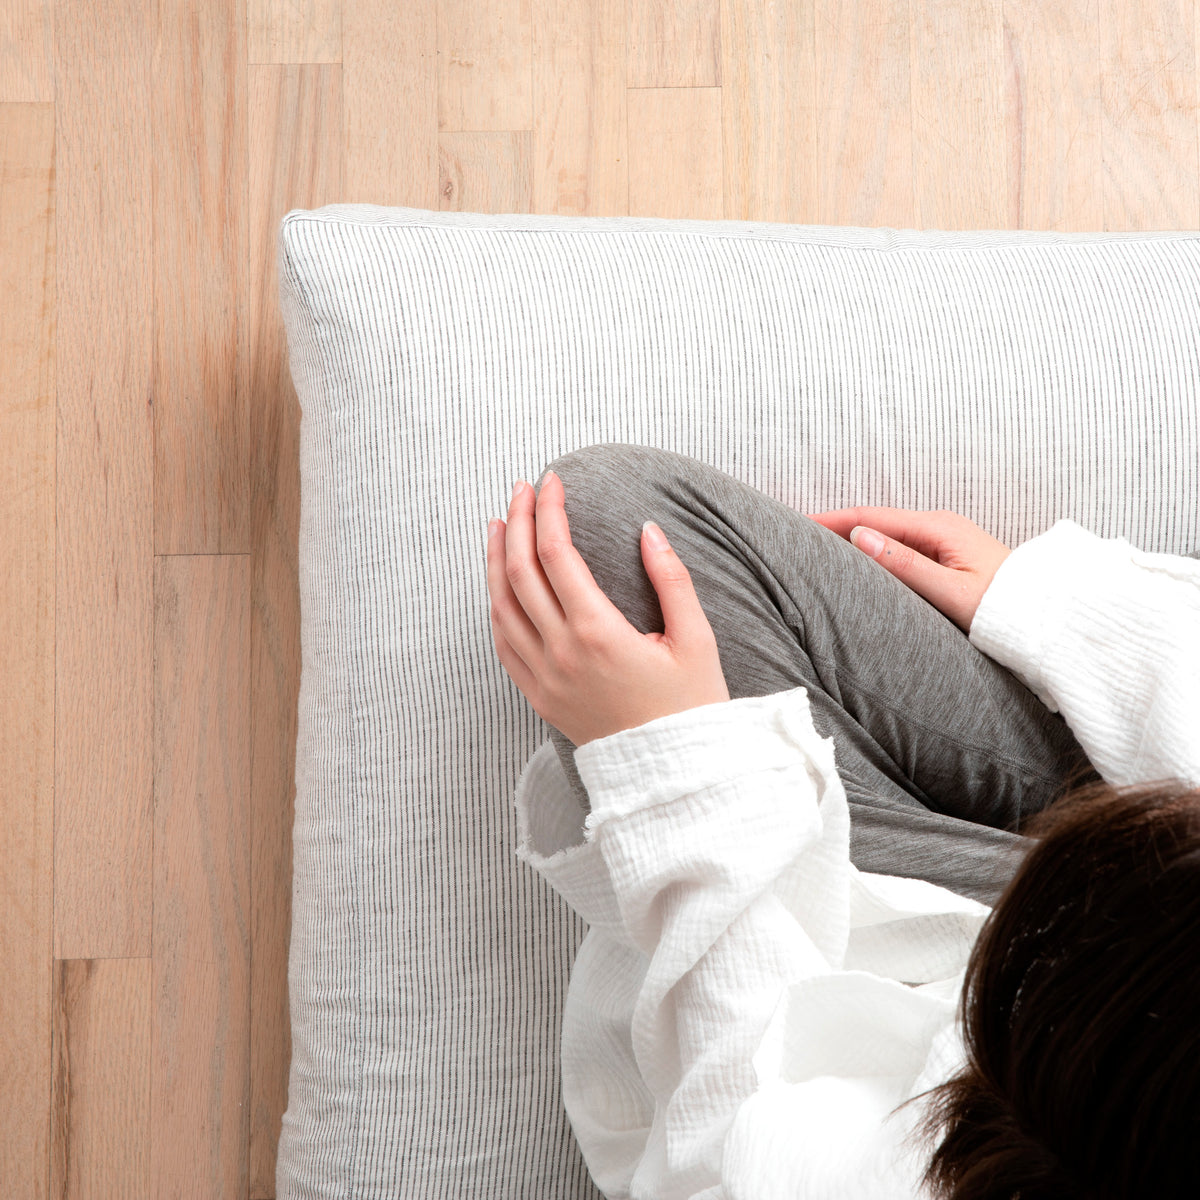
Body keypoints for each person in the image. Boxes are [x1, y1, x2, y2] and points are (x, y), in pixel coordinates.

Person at [484, 442, 1200, 1200]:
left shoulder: (898, 1166)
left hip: (1061, 1018)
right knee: (614, 539)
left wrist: (678, 773)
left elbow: (739, 1150)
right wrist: (1077, 621)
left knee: (604, 559)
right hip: (1107, 974)